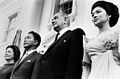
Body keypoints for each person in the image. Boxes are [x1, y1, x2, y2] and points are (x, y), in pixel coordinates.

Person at [39, 11, 85, 79]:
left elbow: (74, 65)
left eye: (56, 18)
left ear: (65, 19)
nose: (53, 21)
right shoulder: (56, 40)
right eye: (52, 20)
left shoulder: (74, 34)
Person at [82, 1, 120, 79]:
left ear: (109, 14)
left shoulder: (117, 35)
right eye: (92, 15)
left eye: (98, 12)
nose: (95, 16)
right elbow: (87, 68)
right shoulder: (88, 41)